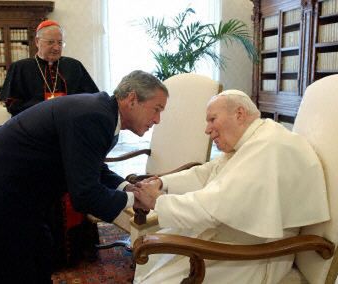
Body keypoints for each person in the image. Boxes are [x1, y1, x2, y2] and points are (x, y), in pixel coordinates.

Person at [0, 70, 168, 283]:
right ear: (132, 99)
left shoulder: (104, 113)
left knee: (41, 253)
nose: (157, 120)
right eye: (156, 109)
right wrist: (136, 199)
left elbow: (92, 167)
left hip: (17, 195)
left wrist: (127, 188)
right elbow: (85, 195)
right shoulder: (96, 116)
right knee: (13, 273)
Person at [133, 89, 330, 284]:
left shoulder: (268, 146)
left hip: (255, 254)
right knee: (161, 253)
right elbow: (209, 172)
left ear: (239, 114)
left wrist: (158, 201)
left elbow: (211, 209)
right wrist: (163, 183)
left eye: (212, 119)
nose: (207, 129)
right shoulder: (256, 137)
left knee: (160, 271)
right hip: (236, 235)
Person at [0, 20, 99, 116]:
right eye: (51, 42)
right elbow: (12, 105)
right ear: (37, 41)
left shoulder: (74, 66)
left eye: (60, 43)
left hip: (69, 123)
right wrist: (44, 109)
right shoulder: (20, 68)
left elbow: (91, 98)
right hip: (34, 125)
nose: (56, 48)